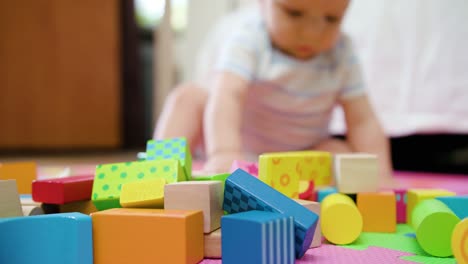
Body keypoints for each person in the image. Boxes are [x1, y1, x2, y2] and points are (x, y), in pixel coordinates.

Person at [154, 0, 394, 186]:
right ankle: (157, 174)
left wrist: (382, 176)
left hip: (299, 160)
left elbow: (363, 121)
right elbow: (227, 95)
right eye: (294, 13)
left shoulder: (342, 52)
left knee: (341, 153)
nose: (311, 32)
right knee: (187, 98)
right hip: (239, 152)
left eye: (331, 19)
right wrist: (224, 152)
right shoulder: (250, 38)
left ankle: (283, 192)